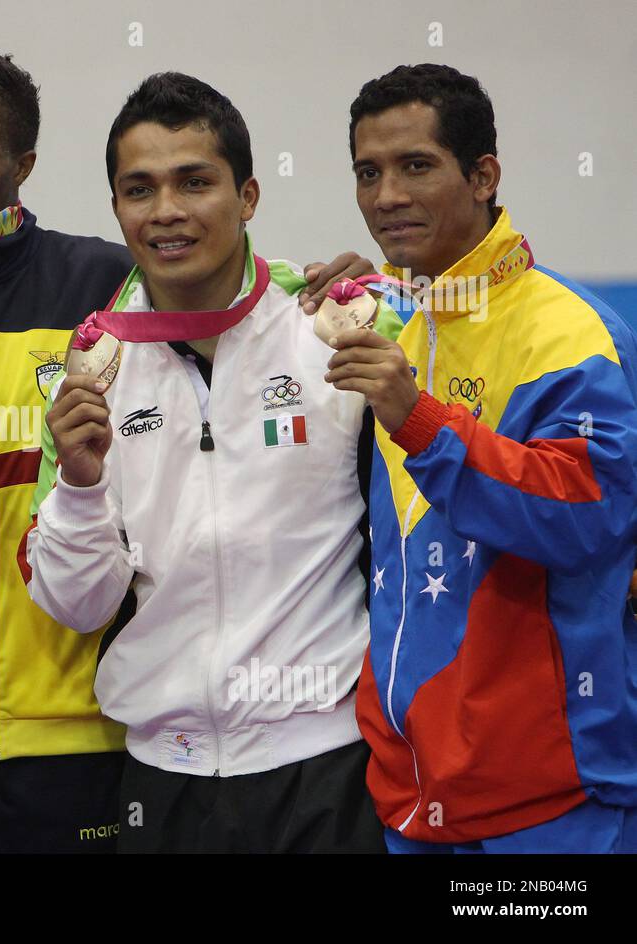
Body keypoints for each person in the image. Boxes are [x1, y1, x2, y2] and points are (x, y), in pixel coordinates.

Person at [0, 46, 369, 855]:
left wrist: (332, 282)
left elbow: (227, 295)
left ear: (21, 164)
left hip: (82, 737)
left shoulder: (107, 294)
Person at [23, 73, 389, 853]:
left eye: (195, 182)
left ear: (248, 195)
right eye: (139, 189)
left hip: (324, 768)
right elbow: (78, 606)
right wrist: (82, 488)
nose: (166, 212)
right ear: (117, 207)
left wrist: (393, 280)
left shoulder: (336, 324)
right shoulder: (93, 366)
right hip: (163, 779)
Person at [330, 63, 637, 852]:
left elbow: (590, 520)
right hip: (411, 785)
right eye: (369, 172)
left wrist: (420, 420)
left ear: (484, 175)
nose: (386, 195)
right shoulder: (399, 319)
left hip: (551, 796)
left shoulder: (569, 335)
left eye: (415, 166)